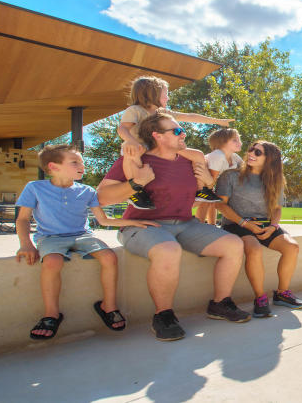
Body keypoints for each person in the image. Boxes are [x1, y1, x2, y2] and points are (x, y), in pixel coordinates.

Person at [97, 112, 250, 341]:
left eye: (182, 129)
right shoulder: (135, 159)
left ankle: (220, 303)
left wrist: (208, 181)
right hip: (142, 226)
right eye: (177, 131)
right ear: (157, 136)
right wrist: (136, 183)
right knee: (169, 250)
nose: (183, 134)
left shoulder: (190, 160)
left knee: (233, 244)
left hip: (186, 224)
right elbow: (102, 198)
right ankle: (164, 315)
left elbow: (204, 191)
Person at [16, 144, 159, 340]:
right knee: (52, 262)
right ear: (54, 166)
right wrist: (25, 244)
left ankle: (108, 306)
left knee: (109, 257)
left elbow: (104, 220)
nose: (82, 166)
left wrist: (134, 221)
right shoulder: (35, 188)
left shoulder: (87, 191)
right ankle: (51, 314)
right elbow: (23, 219)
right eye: (75, 162)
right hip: (50, 237)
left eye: (82, 162)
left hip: (82, 235)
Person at [216, 140, 302, 319]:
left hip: (266, 224)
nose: (251, 153)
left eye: (258, 153)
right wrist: (245, 223)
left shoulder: (275, 180)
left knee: (292, 247)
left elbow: (277, 208)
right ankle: (260, 298)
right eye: (251, 149)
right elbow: (220, 205)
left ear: (270, 160)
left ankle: (282, 293)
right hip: (237, 224)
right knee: (254, 249)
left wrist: (273, 226)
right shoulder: (230, 176)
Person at [118, 75, 233, 210]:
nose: (168, 98)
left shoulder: (163, 113)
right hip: (140, 146)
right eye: (165, 94)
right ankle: (136, 192)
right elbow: (123, 128)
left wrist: (218, 121)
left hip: (162, 146)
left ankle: (200, 190)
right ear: (152, 94)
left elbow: (189, 116)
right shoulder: (135, 110)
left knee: (198, 155)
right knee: (132, 152)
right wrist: (130, 141)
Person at [195, 128, 243, 225]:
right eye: (235, 140)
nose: (240, 143)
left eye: (239, 139)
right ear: (222, 143)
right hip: (196, 179)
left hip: (209, 181)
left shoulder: (235, 157)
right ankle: (198, 226)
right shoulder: (218, 155)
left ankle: (211, 226)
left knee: (212, 198)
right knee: (207, 198)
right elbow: (209, 183)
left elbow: (247, 171)